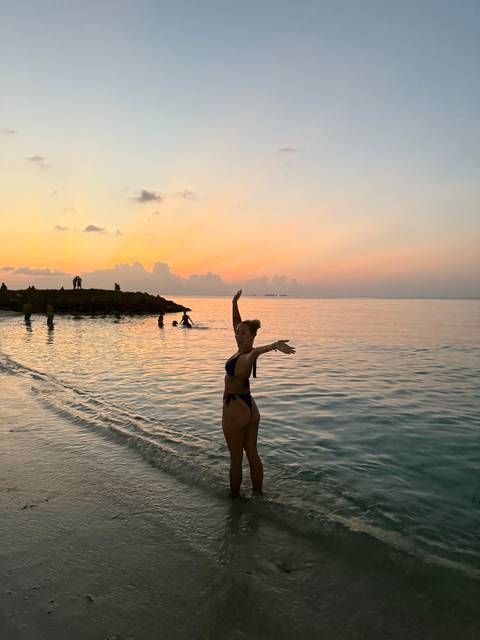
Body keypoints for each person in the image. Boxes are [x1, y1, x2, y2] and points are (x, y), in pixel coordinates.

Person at [222, 290, 295, 497]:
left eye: (243, 333)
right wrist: (233, 302)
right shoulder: (240, 349)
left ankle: (234, 501)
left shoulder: (247, 356)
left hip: (235, 409)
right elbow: (237, 323)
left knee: (236, 458)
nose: (238, 335)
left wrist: (273, 346)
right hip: (250, 408)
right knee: (252, 454)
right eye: (238, 332)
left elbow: (255, 352)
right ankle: (258, 496)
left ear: (253, 336)